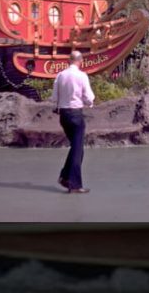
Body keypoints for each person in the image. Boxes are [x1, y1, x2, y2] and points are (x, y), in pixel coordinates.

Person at [51, 51, 95, 194]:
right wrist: (90, 102)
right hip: (76, 114)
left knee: (76, 148)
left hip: (63, 115)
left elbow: (54, 97)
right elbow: (89, 97)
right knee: (77, 149)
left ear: (69, 60)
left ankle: (65, 176)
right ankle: (74, 184)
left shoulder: (60, 75)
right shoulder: (82, 76)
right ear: (80, 61)